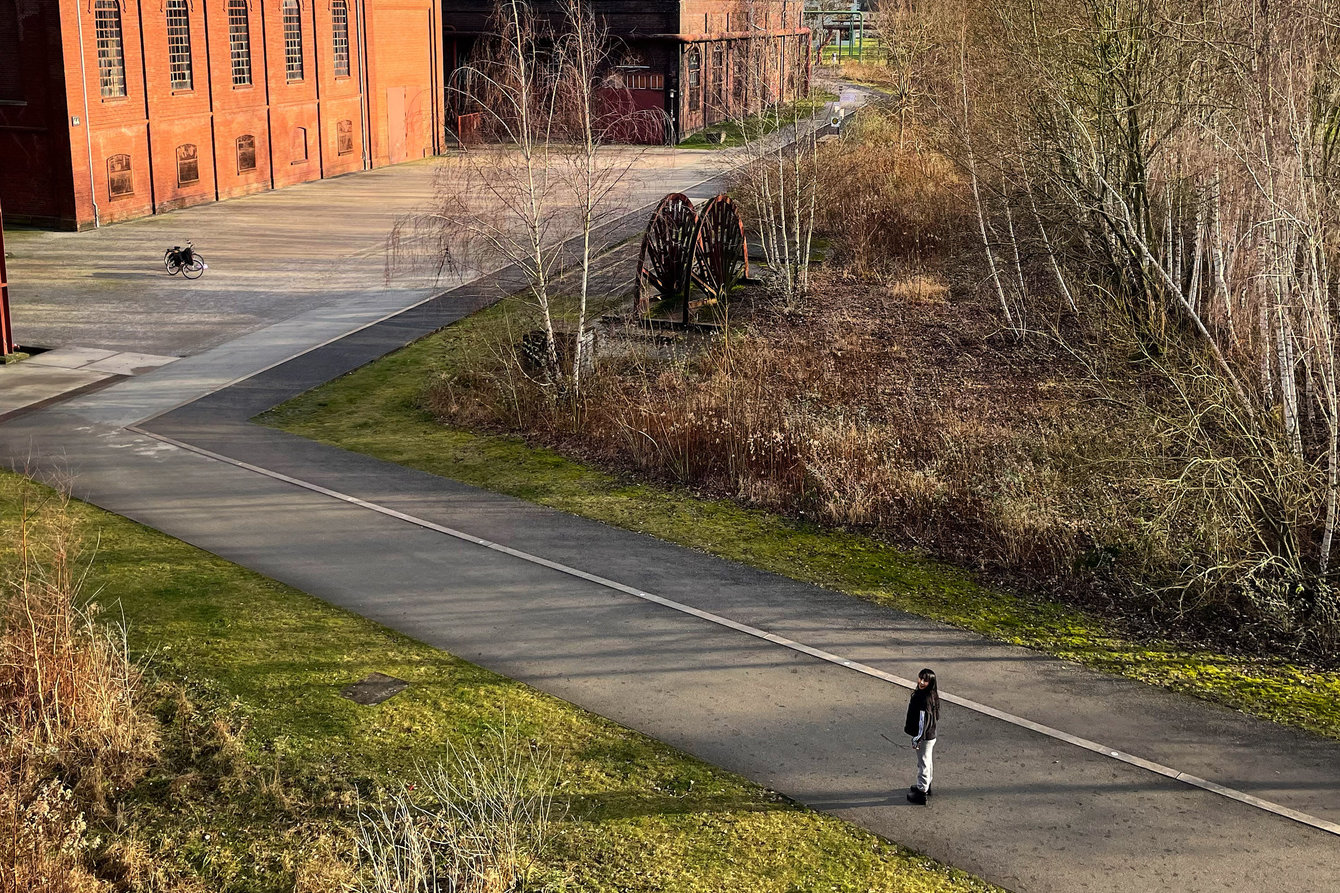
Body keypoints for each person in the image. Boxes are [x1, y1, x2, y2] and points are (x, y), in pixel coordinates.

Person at [905, 667, 939, 805]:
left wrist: (917, 738)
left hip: (924, 736)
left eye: (925, 680)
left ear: (930, 682)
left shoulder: (923, 698)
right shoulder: (932, 695)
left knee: (923, 763)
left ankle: (921, 792)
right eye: (921, 678)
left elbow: (922, 721)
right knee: (927, 761)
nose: (922, 682)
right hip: (931, 734)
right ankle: (926, 784)